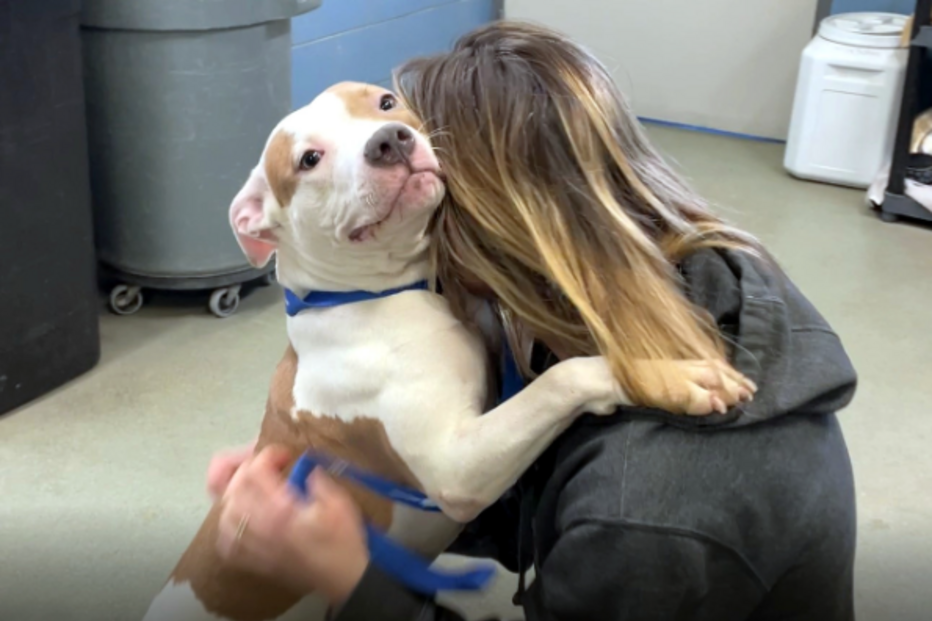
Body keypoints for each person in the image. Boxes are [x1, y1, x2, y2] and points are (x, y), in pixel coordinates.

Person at [211, 21, 858, 621]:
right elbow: (514, 475)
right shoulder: (713, 273)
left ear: (487, 233)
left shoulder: (643, 516)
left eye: (393, 116)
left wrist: (354, 577)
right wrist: (365, 495)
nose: (395, 146)